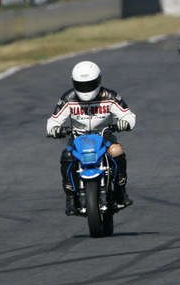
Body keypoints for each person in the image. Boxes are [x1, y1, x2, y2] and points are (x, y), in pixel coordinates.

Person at [46, 61, 136, 215]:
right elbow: (53, 121)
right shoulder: (68, 98)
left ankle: (121, 192)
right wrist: (54, 130)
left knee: (117, 151)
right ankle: (70, 198)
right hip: (78, 137)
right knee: (67, 156)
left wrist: (124, 123)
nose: (86, 89)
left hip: (104, 135)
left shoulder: (110, 96)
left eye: (89, 85)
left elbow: (128, 115)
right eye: (81, 85)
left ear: (98, 81)